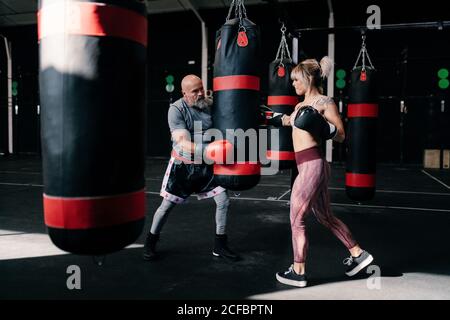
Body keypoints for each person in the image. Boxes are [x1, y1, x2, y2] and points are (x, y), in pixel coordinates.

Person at [263, 57, 373, 287]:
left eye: (296, 80)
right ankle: (358, 255)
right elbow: (291, 122)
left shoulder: (325, 102)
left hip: (312, 164)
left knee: (296, 218)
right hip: (308, 166)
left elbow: (341, 135)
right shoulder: (299, 106)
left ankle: (298, 270)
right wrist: (269, 117)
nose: (293, 84)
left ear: (308, 78)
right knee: (325, 216)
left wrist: (321, 125)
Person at [143, 75, 239, 262]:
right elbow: (183, 142)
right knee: (166, 206)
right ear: (184, 93)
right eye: (195, 91)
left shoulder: (209, 104)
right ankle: (151, 241)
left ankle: (220, 245)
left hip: (207, 167)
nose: (200, 93)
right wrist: (210, 150)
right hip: (183, 167)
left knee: (223, 201)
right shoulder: (176, 109)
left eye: (201, 88)